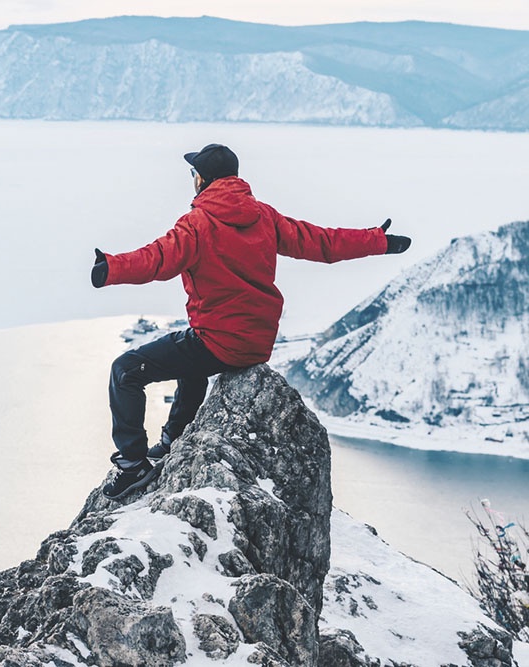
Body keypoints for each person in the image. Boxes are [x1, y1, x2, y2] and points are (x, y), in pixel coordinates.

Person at [91, 143, 411, 500]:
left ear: (202, 179)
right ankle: (174, 439)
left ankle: (132, 465)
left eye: (193, 173)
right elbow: (322, 242)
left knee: (126, 370)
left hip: (219, 341)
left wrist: (110, 268)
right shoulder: (263, 216)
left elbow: (156, 260)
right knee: (187, 352)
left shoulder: (197, 224)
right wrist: (377, 241)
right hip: (257, 341)